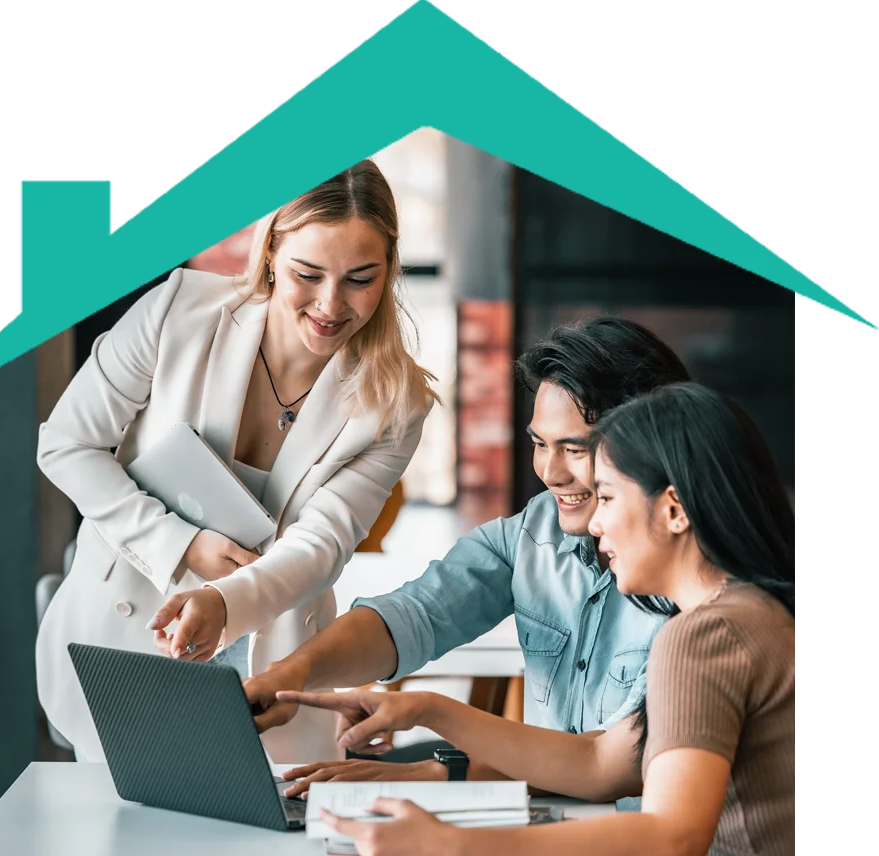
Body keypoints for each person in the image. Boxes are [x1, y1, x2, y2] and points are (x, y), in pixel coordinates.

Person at [279, 383, 795, 856]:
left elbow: (670, 839)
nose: (594, 525)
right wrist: (426, 709)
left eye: (611, 498)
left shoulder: (705, 634)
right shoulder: (754, 611)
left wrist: (449, 850)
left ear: (673, 510)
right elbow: (597, 765)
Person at [35, 160, 438, 764]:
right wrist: (181, 545)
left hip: (270, 659)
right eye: (309, 274)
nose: (331, 304)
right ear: (271, 251)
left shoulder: (396, 400)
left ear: (390, 270)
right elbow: (65, 444)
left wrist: (226, 601)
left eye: (361, 278)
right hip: (114, 637)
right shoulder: (179, 310)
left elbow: (324, 542)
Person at [243, 316, 690, 798]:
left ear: (647, 443)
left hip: (635, 849)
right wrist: (289, 676)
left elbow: (611, 766)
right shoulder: (535, 531)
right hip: (548, 825)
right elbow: (416, 614)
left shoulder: (698, 583)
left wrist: (437, 765)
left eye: (574, 449)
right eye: (540, 444)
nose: (550, 472)